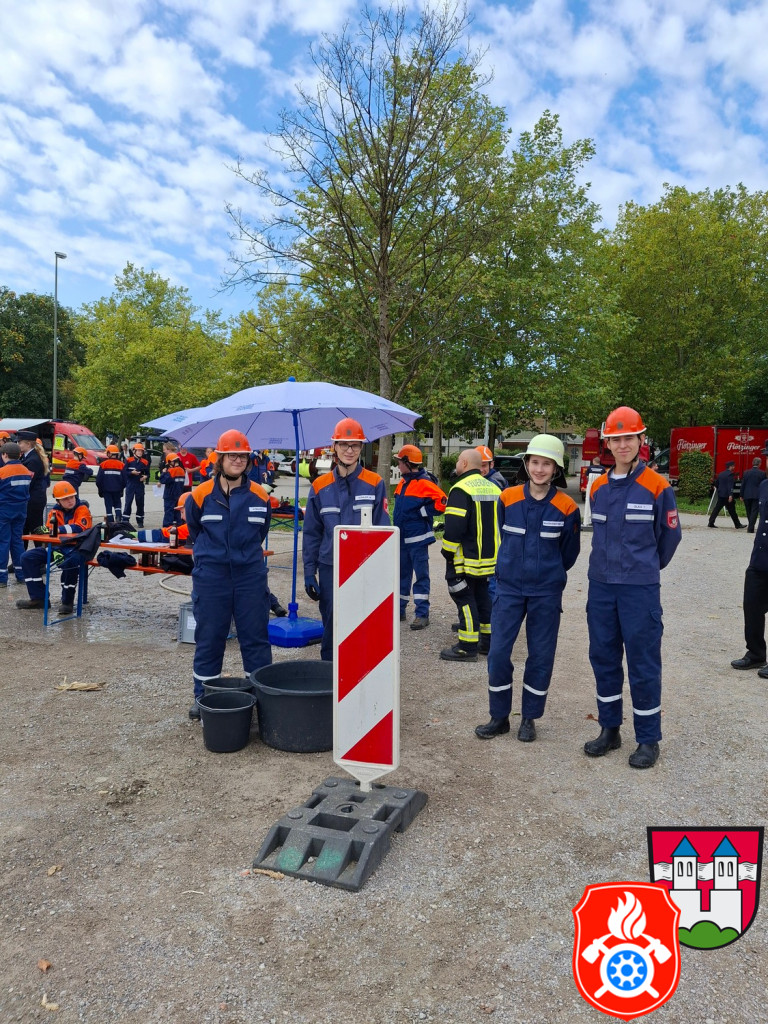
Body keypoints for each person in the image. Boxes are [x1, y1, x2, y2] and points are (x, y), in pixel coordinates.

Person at [584, 406, 682, 769]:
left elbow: (669, 537)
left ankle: (648, 739)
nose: (623, 445)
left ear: (641, 440)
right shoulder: (597, 486)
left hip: (639, 590)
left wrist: (644, 568)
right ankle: (609, 729)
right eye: (616, 439)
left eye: (629, 438)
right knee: (603, 658)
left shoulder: (657, 486)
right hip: (601, 588)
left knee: (643, 663)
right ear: (607, 444)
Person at [476, 435, 581, 741]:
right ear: (526, 464)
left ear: (556, 469)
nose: (539, 469)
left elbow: (569, 553)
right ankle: (499, 717)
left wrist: (548, 572)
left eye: (546, 464)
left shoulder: (566, 506)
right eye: (535, 462)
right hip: (508, 590)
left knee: (541, 656)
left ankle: (529, 718)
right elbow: (501, 534)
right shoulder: (507, 498)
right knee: (497, 654)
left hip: (546, 593)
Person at [185, 430, 272, 720]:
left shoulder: (260, 496)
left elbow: (261, 532)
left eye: (243, 456)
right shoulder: (199, 495)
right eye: (232, 455)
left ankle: (262, 699)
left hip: (250, 576)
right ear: (219, 459)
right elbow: (195, 531)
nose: (238, 460)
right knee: (209, 638)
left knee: (255, 639)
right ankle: (203, 696)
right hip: (212, 577)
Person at [302, 418, 389, 661]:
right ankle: (330, 670)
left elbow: (383, 530)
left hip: (364, 566)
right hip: (330, 566)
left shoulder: (374, 483)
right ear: (335, 446)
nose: (349, 450)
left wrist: (381, 573)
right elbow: (311, 533)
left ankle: (360, 670)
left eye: (355, 445)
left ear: (361, 447)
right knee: (332, 621)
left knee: (363, 620)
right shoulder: (320, 486)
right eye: (344, 444)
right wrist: (309, 572)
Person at [440, 448, 500, 662]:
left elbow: (454, 528)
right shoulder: (494, 488)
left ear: (464, 463)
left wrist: (447, 552)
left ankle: (467, 646)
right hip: (488, 560)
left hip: (464, 560)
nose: (456, 463)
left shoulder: (460, 489)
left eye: (458, 460)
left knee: (463, 597)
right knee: (482, 597)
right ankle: (487, 642)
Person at [16, 481, 93, 614]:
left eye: (71, 497)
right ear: (58, 501)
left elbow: (80, 528)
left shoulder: (82, 509)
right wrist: (51, 537)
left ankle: (67, 601)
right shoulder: (54, 511)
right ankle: (39, 598)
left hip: (77, 549)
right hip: (58, 548)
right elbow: (50, 532)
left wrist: (58, 529)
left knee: (70, 562)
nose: (70, 501)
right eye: (65, 499)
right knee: (27, 557)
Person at [393, 444, 447, 630]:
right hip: (402, 539)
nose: (398, 465)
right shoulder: (403, 482)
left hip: (418, 540)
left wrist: (422, 512)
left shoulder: (424, 483)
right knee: (402, 575)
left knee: (421, 576)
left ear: (408, 463)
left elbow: (442, 502)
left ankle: (422, 614)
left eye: (400, 462)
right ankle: (399, 610)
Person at [0, 441, 33, 587]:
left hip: (4, 511)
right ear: (19, 455)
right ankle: (21, 575)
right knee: (17, 542)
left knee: (3, 542)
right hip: (21, 510)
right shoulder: (26, 471)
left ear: (5, 455)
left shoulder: (2, 472)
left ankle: (1, 578)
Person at [16, 430, 49, 538]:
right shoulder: (26, 457)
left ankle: (39, 549)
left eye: (20, 442)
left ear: (28, 444)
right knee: (25, 530)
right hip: (31, 500)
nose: (18, 444)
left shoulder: (33, 460)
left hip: (33, 501)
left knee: (35, 531)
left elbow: (28, 482)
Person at [708, 460, 745, 529]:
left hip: (721, 495)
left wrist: (718, 489)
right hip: (727, 496)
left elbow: (716, 484)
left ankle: (711, 522)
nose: (734, 467)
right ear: (730, 467)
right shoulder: (730, 474)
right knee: (732, 511)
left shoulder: (721, 474)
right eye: (733, 466)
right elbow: (730, 485)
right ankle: (737, 524)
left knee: (717, 509)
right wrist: (730, 495)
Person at [122, 442, 151, 527]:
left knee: (140, 503)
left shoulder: (145, 462)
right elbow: (124, 472)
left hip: (139, 485)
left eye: (141, 451)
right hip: (130, 484)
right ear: (134, 451)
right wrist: (131, 472)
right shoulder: (129, 460)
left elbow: (148, 473)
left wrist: (145, 477)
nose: (140, 453)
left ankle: (140, 521)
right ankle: (125, 521)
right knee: (128, 503)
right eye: (138, 451)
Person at [96, 444, 126, 525]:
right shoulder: (122, 465)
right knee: (117, 505)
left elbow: (98, 480)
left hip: (106, 490)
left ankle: (111, 522)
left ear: (109, 454)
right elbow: (125, 480)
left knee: (108, 506)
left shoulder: (103, 464)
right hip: (117, 490)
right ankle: (118, 518)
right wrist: (121, 488)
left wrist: (101, 489)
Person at [158, 451, 186, 526]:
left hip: (170, 495)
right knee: (178, 513)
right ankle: (178, 527)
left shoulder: (171, 471)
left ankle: (167, 528)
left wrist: (164, 472)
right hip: (178, 494)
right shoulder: (182, 470)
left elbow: (163, 480)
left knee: (169, 513)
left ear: (170, 462)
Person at [740, 457, 765, 534]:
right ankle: (750, 528)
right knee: (754, 512)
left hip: (747, 494)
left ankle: (751, 527)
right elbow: (763, 485)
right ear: (759, 464)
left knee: (748, 511)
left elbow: (743, 484)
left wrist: (741, 495)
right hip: (757, 495)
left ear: (752, 463)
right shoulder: (762, 473)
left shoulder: (746, 472)